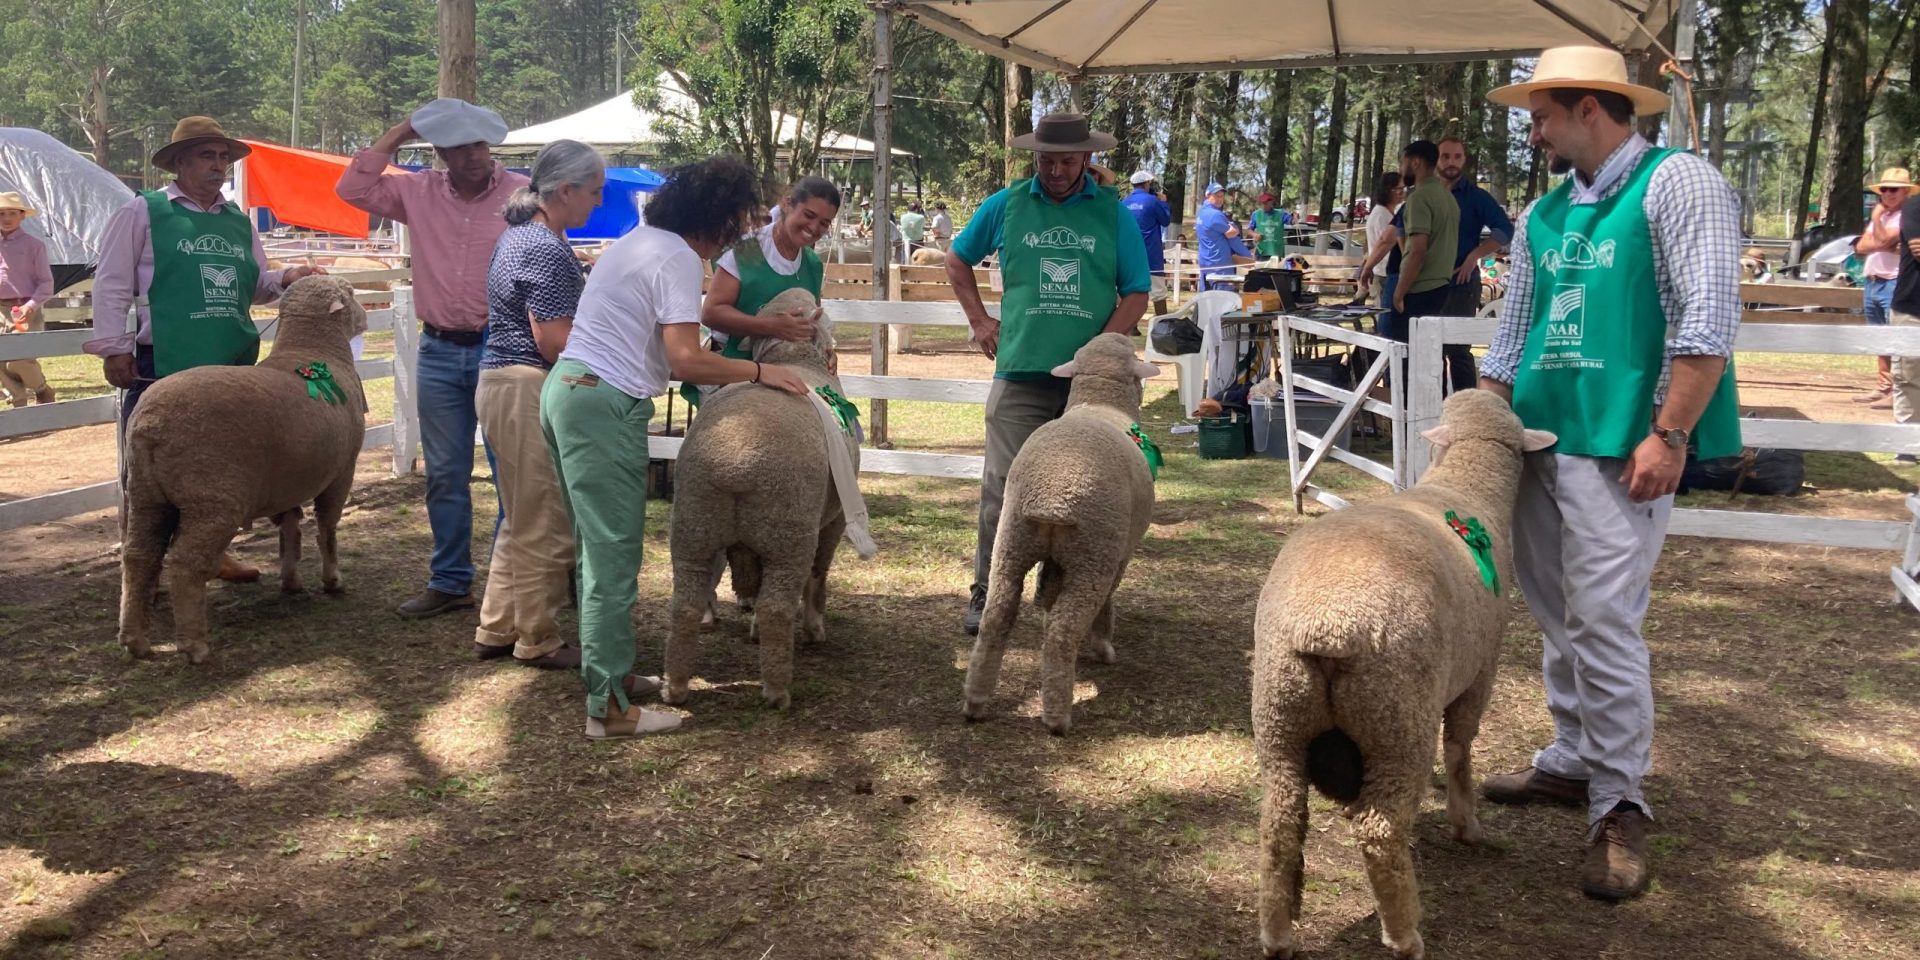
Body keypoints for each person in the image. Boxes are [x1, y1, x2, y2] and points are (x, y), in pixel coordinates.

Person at [1480, 46, 1745, 900]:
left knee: (1604, 617)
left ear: (1591, 109)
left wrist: (1670, 434)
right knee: (1557, 610)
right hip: (1542, 437)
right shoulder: (1545, 215)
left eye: (1544, 116)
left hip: (1623, 440)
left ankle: (1619, 798)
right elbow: (1512, 337)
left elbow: (1706, 321)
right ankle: (1572, 758)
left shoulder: (1677, 183)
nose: (1536, 130)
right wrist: (1482, 426)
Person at [542, 157, 810, 738]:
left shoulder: (638, 241)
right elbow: (686, 359)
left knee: (595, 554)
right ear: (714, 218)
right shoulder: (677, 258)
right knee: (613, 560)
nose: (734, 235)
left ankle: (606, 677)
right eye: (735, 221)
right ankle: (608, 713)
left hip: (569, 390)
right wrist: (760, 375)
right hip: (600, 404)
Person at [86, 116, 324, 584]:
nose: (217, 166)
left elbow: (254, 285)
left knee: (224, 467)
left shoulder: (237, 221)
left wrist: (285, 279)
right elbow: (112, 283)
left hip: (231, 362)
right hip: (165, 361)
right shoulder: (143, 212)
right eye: (205, 156)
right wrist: (114, 347)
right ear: (178, 162)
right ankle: (144, 568)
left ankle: (212, 549)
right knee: (149, 471)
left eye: (223, 157)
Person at [943, 113, 1150, 634]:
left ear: (1087, 158)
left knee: (1089, 490)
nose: (1056, 171)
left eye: (1066, 160)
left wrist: (1100, 350)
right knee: (1004, 487)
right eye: (1047, 160)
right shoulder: (1007, 204)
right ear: (1034, 157)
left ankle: (1068, 593)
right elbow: (956, 259)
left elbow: (1137, 291)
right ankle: (988, 592)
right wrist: (979, 320)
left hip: (1090, 386)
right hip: (1020, 370)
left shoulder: (1112, 213)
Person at [337, 98, 530, 619]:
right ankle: (451, 581)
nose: (471, 155)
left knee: (510, 468)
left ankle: (513, 582)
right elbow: (350, 188)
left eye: (478, 144)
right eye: (457, 146)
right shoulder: (416, 190)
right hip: (440, 347)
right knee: (445, 473)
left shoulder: (520, 193)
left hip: (504, 345)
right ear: (439, 151)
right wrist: (402, 131)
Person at [472, 139, 605, 671]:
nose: (597, 203)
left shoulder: (520, 237)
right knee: (546, 517)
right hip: (527, 382)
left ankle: (497, 625)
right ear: (566, 191)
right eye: (593, 192)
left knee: (521, 513)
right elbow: (554, 340)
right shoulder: (546, 249)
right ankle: (537, 637)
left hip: (503, 382)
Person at [701, 177, 839, 364]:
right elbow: (711, 313)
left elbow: (812, 318)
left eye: (824, 223)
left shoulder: (813, 264)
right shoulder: (744, 253)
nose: (814, 227)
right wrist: (771, 326)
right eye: (808, 215)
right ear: (787, 203)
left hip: (787, 368)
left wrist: (825, 349)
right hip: (733, 368)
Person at [1436, 139, 1516, 387]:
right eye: (1445, 156)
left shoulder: (1476, 197)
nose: (1451, 162)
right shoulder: (1424, 194)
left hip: (1461, 282)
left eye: (1457, 157)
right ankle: (1429, 416)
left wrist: (1475, 256)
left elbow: (1504, 230)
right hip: (1426, 285)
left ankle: (1468, 417)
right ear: (1436, 160)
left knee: (1458, 352)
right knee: (1429, 352)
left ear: (1464, 160)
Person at [1393, 140, 1466, 385]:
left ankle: (1407, 418)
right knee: (1432, 360)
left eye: (1403, 162)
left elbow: (1417, 250)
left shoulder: (1419, 198)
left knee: (1409, 363)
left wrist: (1399, 292)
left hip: (1419, 289)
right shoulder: (1448, 198)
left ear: (1415, 162)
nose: (1402, 169)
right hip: (1442, 286)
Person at [1854, 168, 1910, 406]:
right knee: (1879, 336)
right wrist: (1883, 242)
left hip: (1894, 281)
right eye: (1884, 189)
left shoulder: (1907, 216)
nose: (1887, 194)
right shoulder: (1886, 217)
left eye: (1893, 189)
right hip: (1873, 280)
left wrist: (1876, 219)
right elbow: (1860, 246)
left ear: (1906, 191)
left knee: (1895, 336)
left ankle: (1897, 391)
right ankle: (1884, 386)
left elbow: (1885, 239)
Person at [0, 191, 55, 406]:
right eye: (2, 213)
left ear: (22, 216)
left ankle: (41, 388)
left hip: (24, 308)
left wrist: (31, 306)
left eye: (12, 213)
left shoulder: (34, 246)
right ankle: (18, 400)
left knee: (19, 357)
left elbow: (46, 284)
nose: (6, 218)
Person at [1122, 170, 1173, 315]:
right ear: (1146, 184)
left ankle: (1132, 328)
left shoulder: (1124, 203)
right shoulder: (1153, 201)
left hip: (1129, 255)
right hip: (1151, 254)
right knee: (1159, 292)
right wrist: (1163, 203)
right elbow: (1166, 220)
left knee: (1130, 290)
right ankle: (1162, 324)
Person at [1356, 172, 1404, 307]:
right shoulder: (1381, 215)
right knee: (1385, 315)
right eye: (1398, 190)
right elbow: (1386, 244)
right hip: (1384, 273)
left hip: (1388, 272)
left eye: (1403, 189)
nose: (1401, 193)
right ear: (1387, 191)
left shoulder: (1389, 213)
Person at [1196, 182, 1253, 291]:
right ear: (1208, 195)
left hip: (1205, 263)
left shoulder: (1201, 212)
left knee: (1205, 301)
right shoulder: (1215, 214)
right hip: (1220, 266)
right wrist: (1248, 257)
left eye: (1222, 196)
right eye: (1217, 196)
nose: (1220, 199)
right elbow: (1232, 237)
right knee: (1224, 302)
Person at [1250, 192, 1287, 260]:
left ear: (1271, 202)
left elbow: (1291, 221)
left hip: (1275, 253)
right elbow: (1249, 229)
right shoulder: (1256, 214)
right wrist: (1254, 235)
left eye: (1266, 203)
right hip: (1261, 252)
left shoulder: (1281, 213)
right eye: (1262, 203)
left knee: (1274, 270)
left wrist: (1294, 218)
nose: (1264, 205)